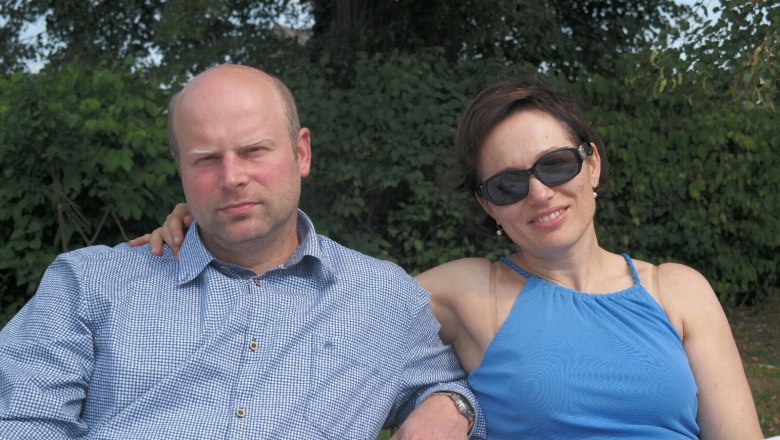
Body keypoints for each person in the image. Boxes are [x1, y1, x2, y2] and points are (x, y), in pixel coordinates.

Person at [143, 76, 765, 439]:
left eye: (556, 165)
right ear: (488, 205)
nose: (540, 194)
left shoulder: (677, 290)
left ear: (592, 164)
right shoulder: (466, 292)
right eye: (508, 184)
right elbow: (308, 289)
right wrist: (211, 223)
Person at [0, 64, 486, 439]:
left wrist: (452, 405)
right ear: (181, 170)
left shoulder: (382, 298)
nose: (232, 178)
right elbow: (20, 417)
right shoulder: (89, 283)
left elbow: (452, 385)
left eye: (254, 151)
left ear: (302, 153)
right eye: (207, 159)